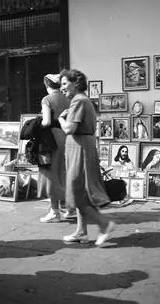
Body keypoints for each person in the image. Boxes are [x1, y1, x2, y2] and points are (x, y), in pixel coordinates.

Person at [58, 69, 115, 246]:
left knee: (76, 193)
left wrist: (60, 118)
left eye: (65, 83)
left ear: (76, 83)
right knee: (81, 191)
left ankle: (104, 224)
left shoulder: (79, 101)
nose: (62, 88)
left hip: (80, 149)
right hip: (81, 148)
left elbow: (69, 129)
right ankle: (81, 232)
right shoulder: (82, 100)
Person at [38, 73, 71, 223]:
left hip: (52, 141)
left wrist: (36, 123)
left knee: (51, 174)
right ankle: (68, 208)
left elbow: (46, 122)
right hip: (68, 139)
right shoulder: (68, 98)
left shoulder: (47, 99)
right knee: (65, 173)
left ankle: (54, 211)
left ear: (47, 85)